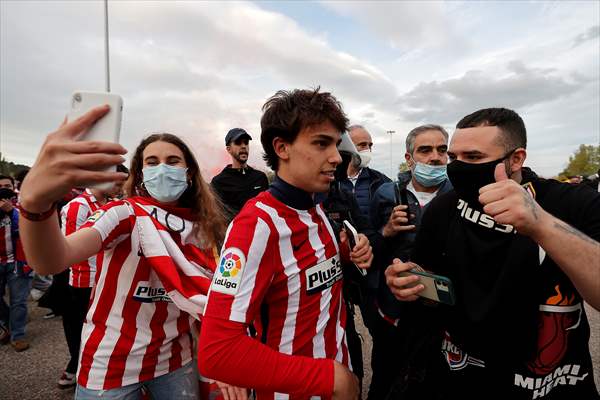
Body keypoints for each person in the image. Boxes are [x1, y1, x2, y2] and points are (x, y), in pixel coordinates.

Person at [17, 107, 243, 399]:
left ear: (188, 174)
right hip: (112, 365)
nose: (162, 168)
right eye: (152, 162)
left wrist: (219, 362)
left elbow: (204, 304)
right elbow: (53, 259)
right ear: (140, 175)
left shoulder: (205, 229)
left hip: (177, 361)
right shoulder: (123, 214)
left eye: (172, 161)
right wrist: (36, 205)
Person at [385, 108, 600, 399]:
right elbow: (431, 291)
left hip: (547, 385)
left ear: (516, 158)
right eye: (454, 158)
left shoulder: (571, 203)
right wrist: (408, 284)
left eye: (473, 158)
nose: (458, 167)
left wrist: (541, 224)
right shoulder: (444, 208)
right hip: (459, 379)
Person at [199, 88, 373, 399]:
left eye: (335, 143)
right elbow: (217, 352)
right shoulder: (256, 225)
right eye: (321, 143)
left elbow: (308, 276)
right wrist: (327, 377)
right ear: (282, 147)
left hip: (339, 374)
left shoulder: (316, 207)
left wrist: (348, 253)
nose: (336, 156)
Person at [367, 124, 452, 399]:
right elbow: (369, 246)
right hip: (393, 313)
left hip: (442, 313)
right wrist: (386, 230)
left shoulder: (460, 196)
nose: (435, 157)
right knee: (386, 378)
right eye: (425, 150)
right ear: (409, 158)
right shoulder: (384, 194)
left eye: (442, 150)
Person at [57, 184, 112, 389]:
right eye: (115, 180)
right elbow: (71, 250)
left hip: (104, 278)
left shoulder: (109, 202)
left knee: (99, 328)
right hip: (84, 281)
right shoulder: (78, 206)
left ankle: (87, 367)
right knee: (79, 327)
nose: (120, 185)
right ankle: (76, 366)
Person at [0, 176, 32, 352]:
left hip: (19, 261)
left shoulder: (23, 204)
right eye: (1, 187)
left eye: (8, 186)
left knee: (18, 301)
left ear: (14, 187)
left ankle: (17, 336)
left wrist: (12, 211)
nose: (5, 190)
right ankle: (8, 324)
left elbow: (30, 226)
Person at [211, 128, 269, 220]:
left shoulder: (260, 178)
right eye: (238, 143)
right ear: (228, 149)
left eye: (246, 143)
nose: (243, 146)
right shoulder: (218, 182)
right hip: (233, 233)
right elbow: (216, 217)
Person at [341, 125, 391, 218]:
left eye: (370, 145)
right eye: (363, 145)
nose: (368, 149)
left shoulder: (381, 181)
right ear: (347, 147)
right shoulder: (332, 180)